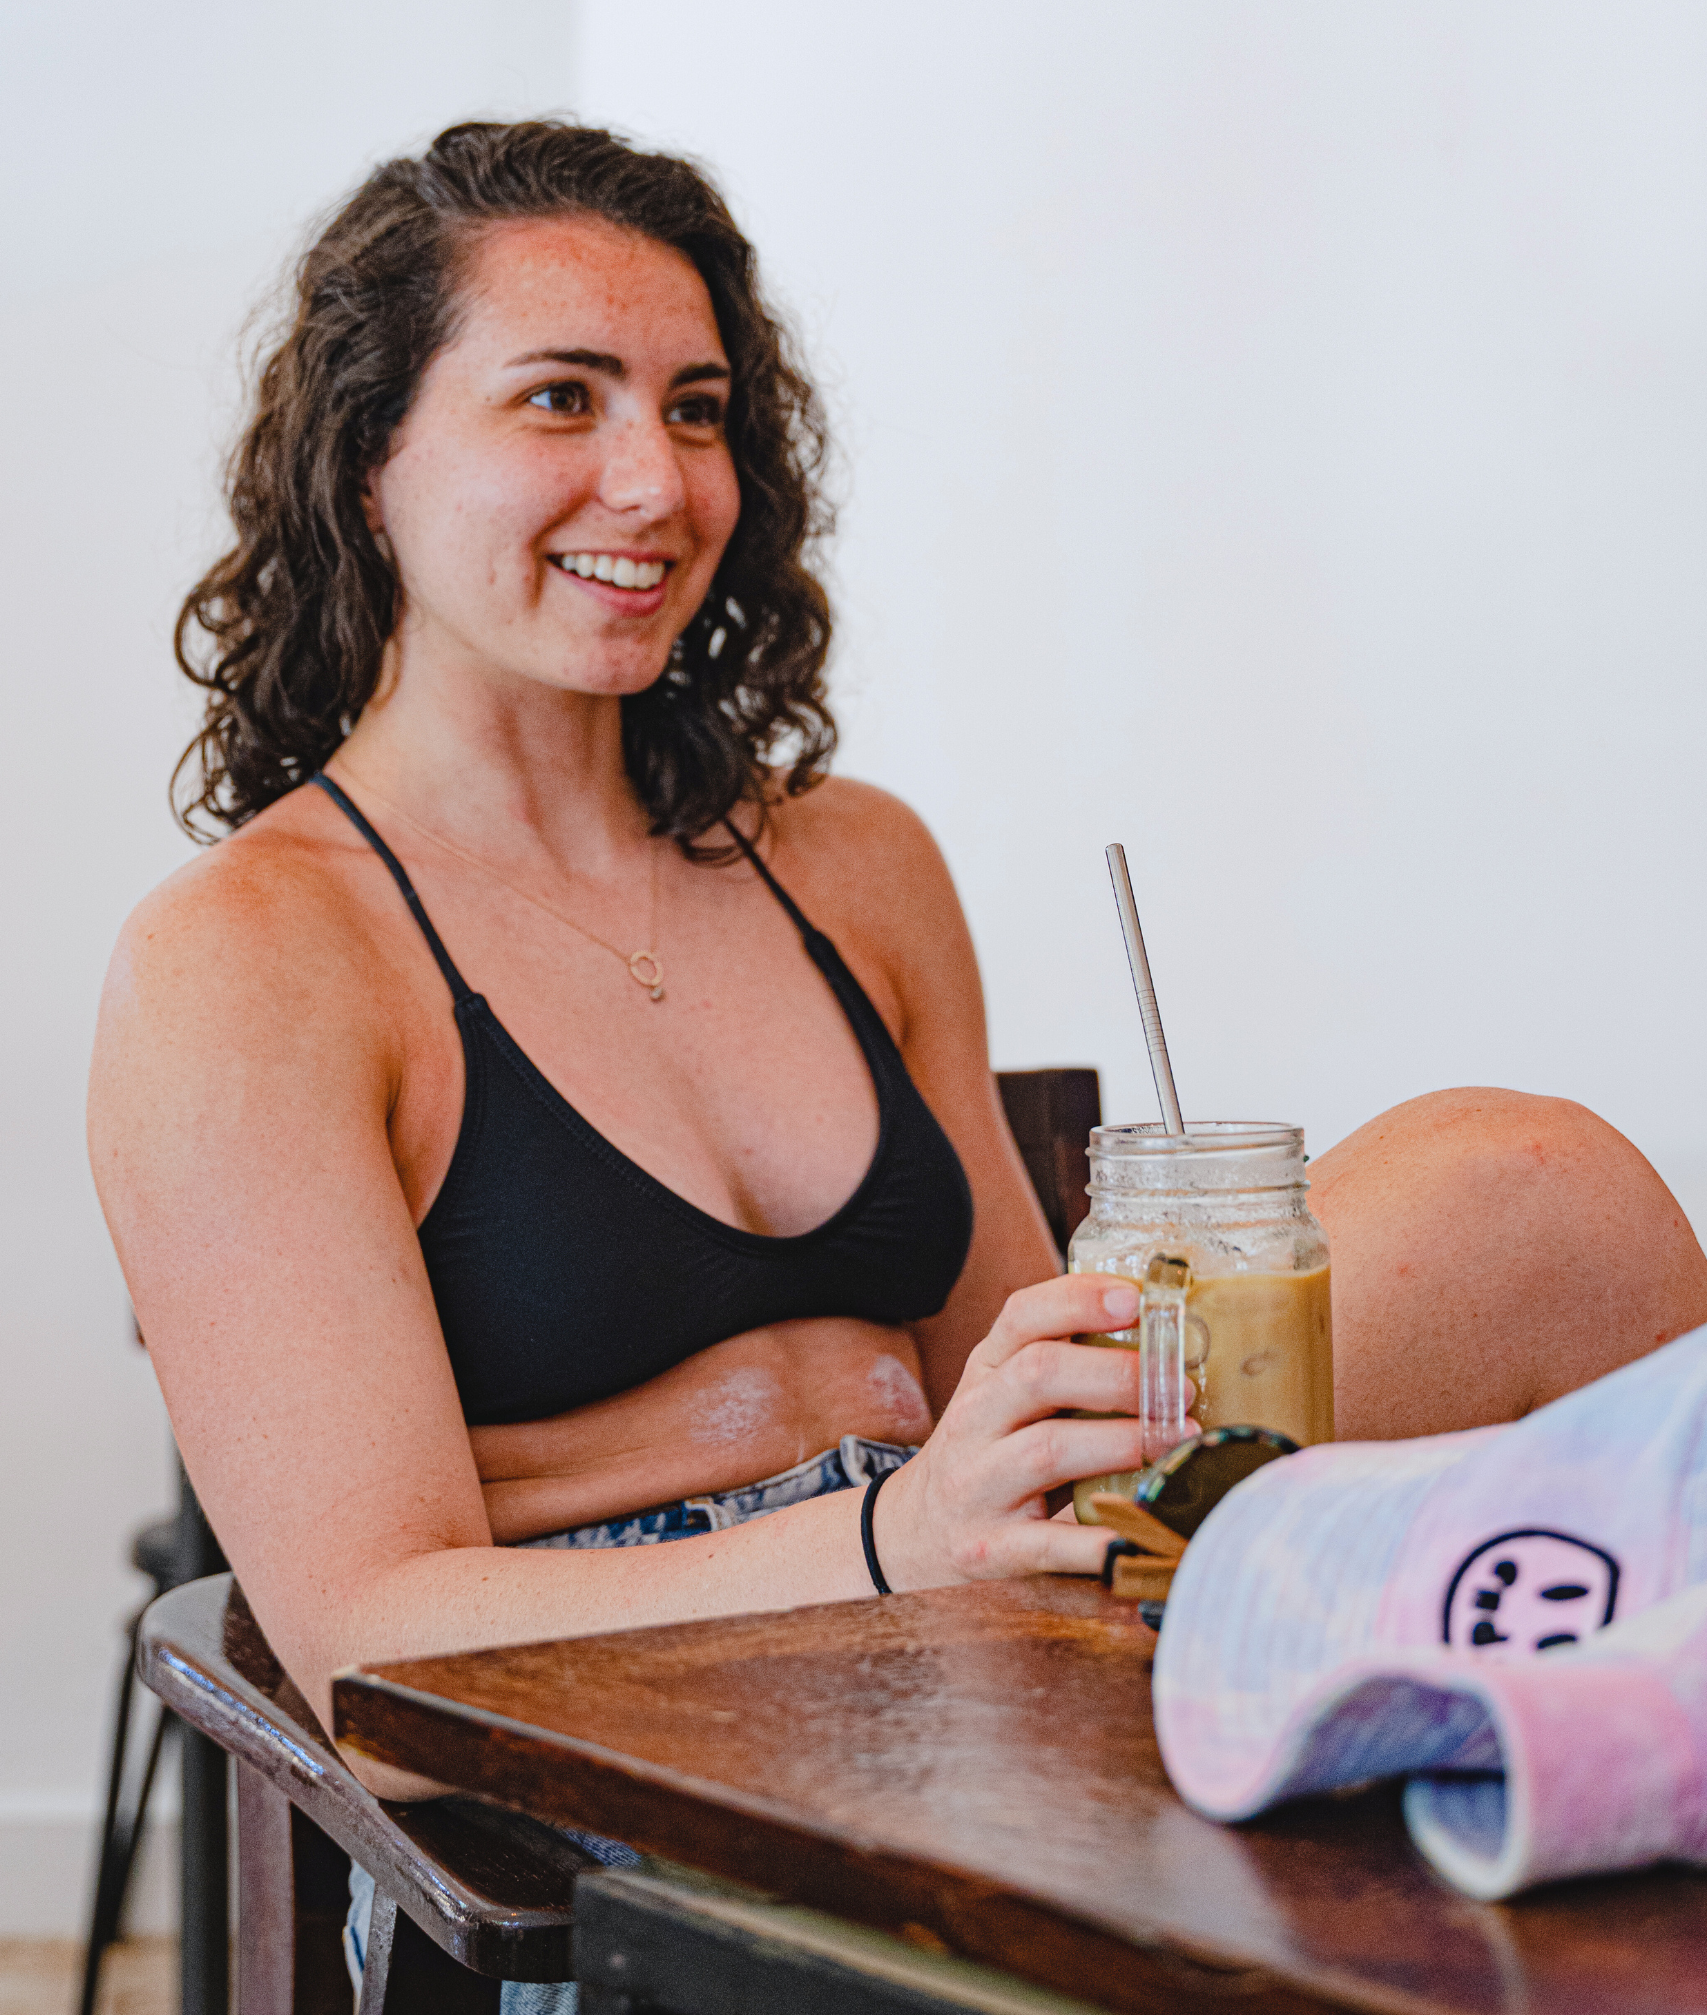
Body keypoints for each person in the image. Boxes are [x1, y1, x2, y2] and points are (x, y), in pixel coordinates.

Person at [89, 119, 1707, 1799]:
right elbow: (369, 1655)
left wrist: (1059, 1459)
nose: (655, 482)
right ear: (370, 458)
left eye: (696, 410)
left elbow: (1010, 1367)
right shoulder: (248, 961)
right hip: (620, 1771)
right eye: (562, 397)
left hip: (979, 1639)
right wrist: (891, 1538)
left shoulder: (852, 863)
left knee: (1537, 1191)